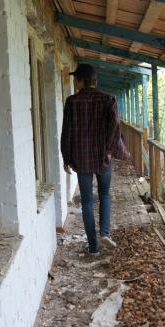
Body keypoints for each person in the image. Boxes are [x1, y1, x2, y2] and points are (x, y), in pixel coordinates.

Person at [61, 64, 121, 254]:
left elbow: (67, 132)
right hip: (103, 157)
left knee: (87, 201)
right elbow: (115, 125)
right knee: (104, 195)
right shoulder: (108, 100)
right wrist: (109, 149)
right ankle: (105, 233)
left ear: (80, 81)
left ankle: (93, 246)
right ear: (95, 80)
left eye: (75, 79)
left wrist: (66, 157)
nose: (74, 82)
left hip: (81, 157)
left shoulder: (72, 101)